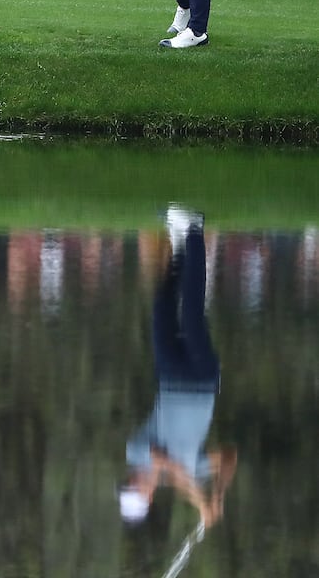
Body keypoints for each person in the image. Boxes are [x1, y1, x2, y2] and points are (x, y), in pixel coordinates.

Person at [118, 205, 237, 534]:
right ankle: (194, 231)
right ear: (148, 495)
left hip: (170, 377)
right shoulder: (193, 470)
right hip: (201, 379)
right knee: (192, 312)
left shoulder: (139, 454)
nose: (132, 481)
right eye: (135, 489)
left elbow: (164, 461)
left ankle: (182, 246)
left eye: (128, 485)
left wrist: (201, 504)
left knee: (161, 307)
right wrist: (218, 494)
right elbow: (228, 457)